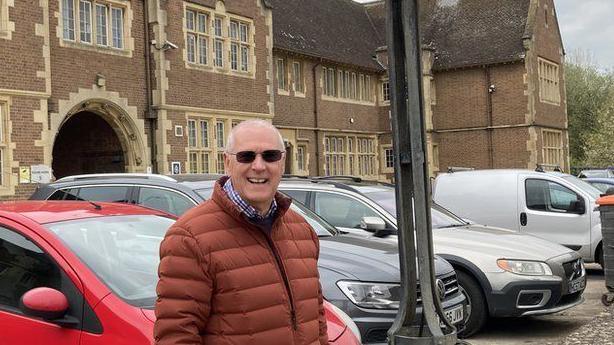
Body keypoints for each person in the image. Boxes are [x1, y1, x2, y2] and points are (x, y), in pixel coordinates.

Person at [154, 120, 328, 344]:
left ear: (282, 162)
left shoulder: (302, 230)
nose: (258, 166)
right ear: (227, 162)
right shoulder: (190, 237)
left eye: (270, 156)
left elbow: (317, 318)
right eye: (246, 156)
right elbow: (176, 336)